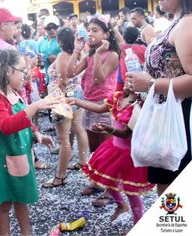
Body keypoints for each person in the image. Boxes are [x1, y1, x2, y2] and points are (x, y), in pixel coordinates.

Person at [0, 49, 61, 235]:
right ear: (8, 71)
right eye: (22, 70)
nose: (26, 75)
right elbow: (7, 125)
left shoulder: (16, 93)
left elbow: (22, 119)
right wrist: (35, 106)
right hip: (3, 160)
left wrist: (37, 135)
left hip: (19, 155)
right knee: (4, 203)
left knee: (21, 199)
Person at [127, 0, 192, 197]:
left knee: (175, 193)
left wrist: (151, 84)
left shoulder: (187, 24)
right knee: (168, 189)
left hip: (179, 116)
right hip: (167, 113)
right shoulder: (177, 22)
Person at [68, 82, 155, 227]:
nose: (128, 82)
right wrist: (77, 101)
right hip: (113, 148)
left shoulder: (140, 106)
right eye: (127, 79)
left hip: (129, 155)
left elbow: (126, 133)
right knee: (105, 179)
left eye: (132, 79)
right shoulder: (118, 98)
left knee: (131, 193)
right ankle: (121, 205)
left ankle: (138, 224)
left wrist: (108, 129)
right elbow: (98, 108)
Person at [67, 15, 120, 205]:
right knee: (95, 149)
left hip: (104, 105)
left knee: (107, 149)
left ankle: (110, 190)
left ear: (106, 34)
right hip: (89, 103)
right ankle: (98, 183)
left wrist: (98, 54)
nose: (90, 33)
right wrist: (76, 50)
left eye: (95, 30)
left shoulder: (111, 54)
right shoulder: (90, 54)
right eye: (89, 30)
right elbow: (69, 73)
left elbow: (99, 79)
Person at [42, 27, 89, 188]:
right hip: (76, 96)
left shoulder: (63, 55)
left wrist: (59, 102)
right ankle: (83, 162)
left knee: (63, 140)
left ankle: (60, 176)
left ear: (60, 41)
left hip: (63, 98)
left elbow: (63, 80)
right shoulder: (79, 54)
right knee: (78, 129)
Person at [117, 27, 146, 91]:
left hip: (122, 79)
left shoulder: (119, 47)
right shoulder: (143, 48)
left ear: (124, 35)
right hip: (139, 80)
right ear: (136, 37)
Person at [37, 15, 61, 84]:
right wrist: (39, 61)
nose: (52, 30)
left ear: (58, 27)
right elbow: (38, 62)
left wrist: (56, 60)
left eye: (54, 27)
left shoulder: (62, 40)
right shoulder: (41, 42)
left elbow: (69, 58)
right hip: (46, 79)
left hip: (60, 79)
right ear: (45, 28)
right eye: (49, 28)